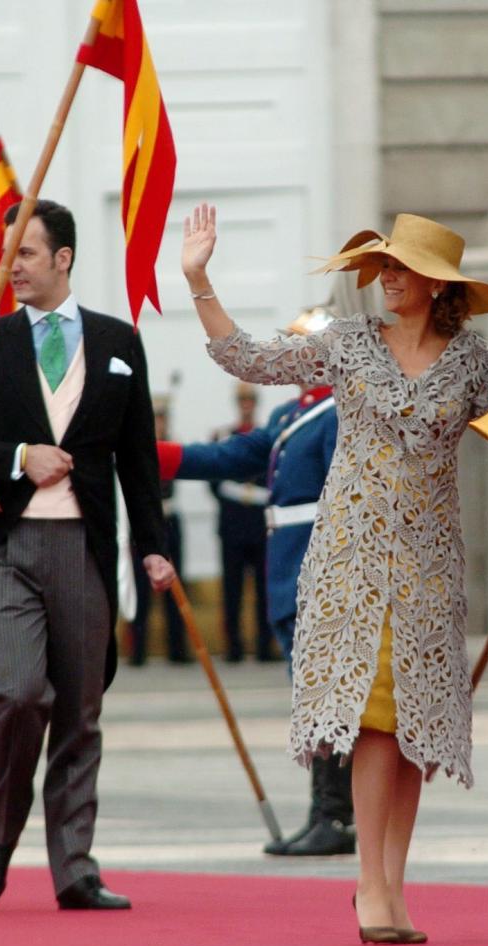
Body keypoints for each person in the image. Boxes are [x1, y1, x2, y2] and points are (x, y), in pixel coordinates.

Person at [182, 204, 488, 943]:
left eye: (398, 268)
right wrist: (200, 278)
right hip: (351, 561)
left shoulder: (475, 361)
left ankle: (393, 885)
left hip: (430, 566)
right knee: (375, 722)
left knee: (417, 729)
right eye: (381, 266)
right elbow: (251, 359)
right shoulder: (350, 343)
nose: (384, 278)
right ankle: (368, 886)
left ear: (434, 283)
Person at [0, 197, 174, 912]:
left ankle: (75, 867)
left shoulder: (117, 341)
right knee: (18, 694)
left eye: (27, 254)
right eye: (8, 254)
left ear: (63, 258)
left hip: (85, 547)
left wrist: (155, 550)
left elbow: (138, 459)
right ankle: (2, 834)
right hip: (9, 546)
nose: (13, 267)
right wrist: (16, 456)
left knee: (79, 711)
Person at [155, 307, 349, 856]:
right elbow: (231, 456)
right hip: (287, 568)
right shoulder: (294, 412)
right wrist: (153, 455)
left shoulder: (341, 412)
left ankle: (334, 815)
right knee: (311, 695)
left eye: (298, 348)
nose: (287, 358)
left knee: (327, 696)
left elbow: (342, 503)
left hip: (318, 569)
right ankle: (329, 813)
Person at [211, 382, 275, 663]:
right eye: (242, 400)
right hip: (233, 526)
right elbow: (214, 483)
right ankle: (233, 647)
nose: (246, 404)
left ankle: (264, 646)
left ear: (255, 402)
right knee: (232, 591)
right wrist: (242, 494)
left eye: (250, 399)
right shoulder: (224, 437)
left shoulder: (268, 438)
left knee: (264, 591)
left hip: (261, 527)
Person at [129, 396, 188, 665]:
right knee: (140, 591)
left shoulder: (169, 447)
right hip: (143, 524)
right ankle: (137, 651)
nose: (159, 424)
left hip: (169, 519)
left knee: (175, 585)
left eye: (162, 419)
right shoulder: (135, 449)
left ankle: (178, 649)